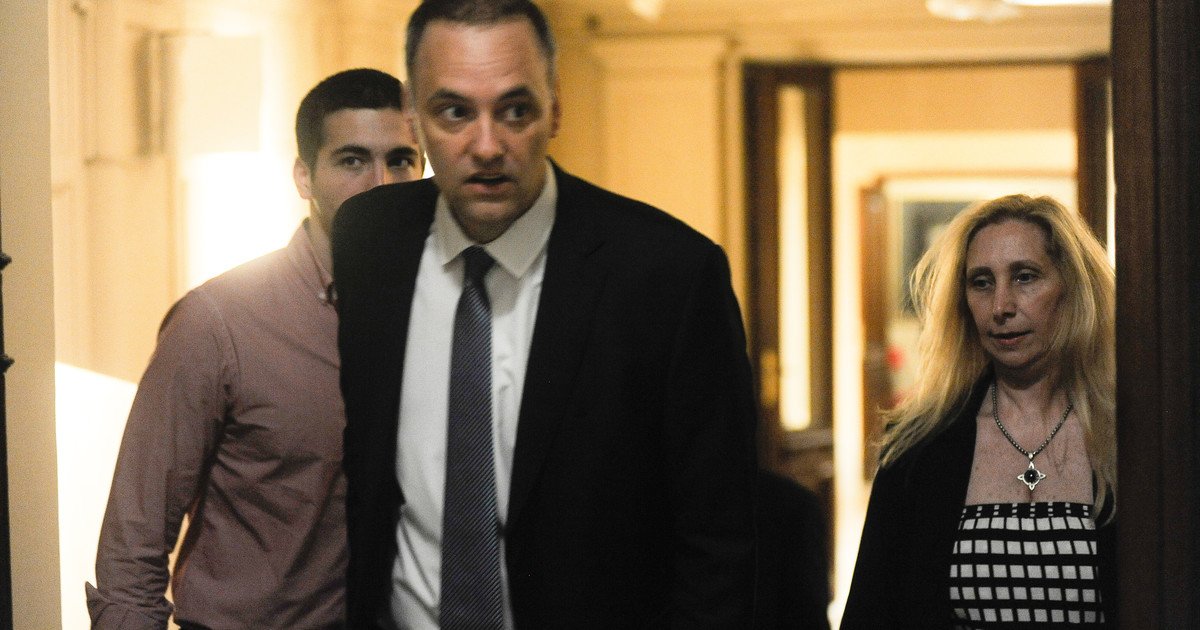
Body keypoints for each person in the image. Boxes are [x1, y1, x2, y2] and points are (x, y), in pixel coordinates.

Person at [331, 1, 758, 628]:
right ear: (413, 117)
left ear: (555, 107)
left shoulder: (666, 275)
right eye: (454, 112)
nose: (487, 146)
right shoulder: (371, 240)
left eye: (515, 111)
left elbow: (720, 539)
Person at [86, 68, 423, 630]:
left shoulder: (444, 314)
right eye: (352, 161)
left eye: (401, 160)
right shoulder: (219, 322)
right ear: (304, 177)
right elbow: (133, 547)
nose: (380, 184)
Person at [841, 194, 1117, 629]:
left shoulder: (1128, 436)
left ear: (1072, 288)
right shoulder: (918, 447)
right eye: (982, 283)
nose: (1001, 306)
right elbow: (870, 614)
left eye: (1025, 277)